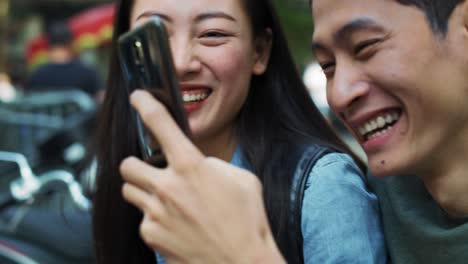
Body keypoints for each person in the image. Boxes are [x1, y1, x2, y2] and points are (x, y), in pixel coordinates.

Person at [117, 0, 468, 263]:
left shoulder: (326, 187)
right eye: (327, 66)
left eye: (366, 46)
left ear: (260, 51)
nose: (339, 95)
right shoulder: (394, 187)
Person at [26, 21, 103, 101]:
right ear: (70, 43)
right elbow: (101, 98)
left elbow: (28, 101)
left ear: (48, 44)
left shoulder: (37, 75)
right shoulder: (87, 72)